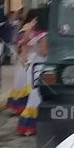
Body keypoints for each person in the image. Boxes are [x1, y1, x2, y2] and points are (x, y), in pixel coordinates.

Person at [17, 8, 48, 136]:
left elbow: (24, 44)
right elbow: (44, 52)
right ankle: (31, 126)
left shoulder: (33, 33)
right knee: (36, 96)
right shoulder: (43, 35)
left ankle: (29, 126)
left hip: (33, 65)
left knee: (33, 95)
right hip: (40, 65)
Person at [7, 10, 36, 116]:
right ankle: (22, 107)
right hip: (27, 59)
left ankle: (23, 107)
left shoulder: (29, 28)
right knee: (25, 84)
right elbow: (23, 46)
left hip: (29, 59)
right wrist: (24, 59)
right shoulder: (27, 29)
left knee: (25, 84)